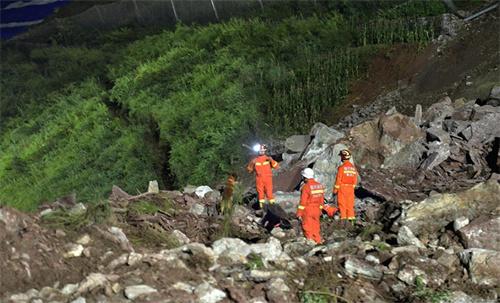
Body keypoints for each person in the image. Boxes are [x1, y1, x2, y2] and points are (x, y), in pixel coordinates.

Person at [296, 168, 333, 244]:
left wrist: (299, 213)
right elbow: (322, 201)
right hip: (317, 210)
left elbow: (303, 202)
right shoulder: (319, 186)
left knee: (307, 227)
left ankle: (310, 242)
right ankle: (318, 241)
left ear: (305, 177)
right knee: (316, 227)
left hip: (308, 210)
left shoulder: (306, 187)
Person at [246, 144, 279, 209]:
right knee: (261, 194)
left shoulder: (268, 158)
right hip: (259, 179)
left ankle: (272, 207)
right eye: (260, 150)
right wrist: (252, 163)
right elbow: (249, 170)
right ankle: (262, 208)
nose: (261, 151)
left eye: (262, 149)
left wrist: (271, 160)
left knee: (269, 193)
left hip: (268, 178)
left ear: (265, 150)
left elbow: (276, 166)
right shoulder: (254, 160)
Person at [333, 149, 358, 226]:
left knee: (342, 203)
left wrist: (335, 190)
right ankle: (352, 221)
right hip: (350, 188)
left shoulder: (342, 168)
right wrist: (351, 187)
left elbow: (338, 179)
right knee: (350, 204)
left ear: (343, 158)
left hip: (342, 187)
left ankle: (343, 221)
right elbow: (355, 179)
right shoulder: (353, 168)